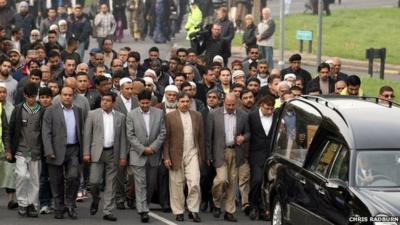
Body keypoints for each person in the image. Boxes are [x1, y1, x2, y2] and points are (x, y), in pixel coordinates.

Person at [83, 92, 127, 221]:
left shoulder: (120, 117)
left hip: (113, 152)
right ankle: (96, 198)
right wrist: (86, 152)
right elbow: (87, 135)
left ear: (113, 102)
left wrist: (123, 156)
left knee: (111, 183)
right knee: (94, 181)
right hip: (97, 152)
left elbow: (123, 138)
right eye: (103, 100)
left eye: (108, 100)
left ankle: (108, 210)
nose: (105, 102)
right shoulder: (92, 114)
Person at [42, 86, 84, 219]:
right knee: (56, 181)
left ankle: (71, 205)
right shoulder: (50, 111)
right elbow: (46, 132)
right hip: (55, 150)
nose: (67, 97)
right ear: (60, 96)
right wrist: (49, 150)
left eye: (70, 95)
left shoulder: (78, 110)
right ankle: (59, 207)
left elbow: (81, 130)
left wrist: (83, 150)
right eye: (65, 95)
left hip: (73, 149)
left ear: (73, 96)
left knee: (73, 176)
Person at [207, 93, 250, 222]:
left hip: (235, 152)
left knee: (232, 183)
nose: (231, 107)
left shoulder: (243, 115)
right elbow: (208, 137)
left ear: (236, 103)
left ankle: (229, 212)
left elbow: (248, 133)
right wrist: (208, 155)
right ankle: (216, 201)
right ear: (223, 102)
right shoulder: (214, 114)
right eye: (228, 104)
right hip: (219, 152)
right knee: (221, 180)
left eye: (233, 105)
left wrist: (244, 137)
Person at [163, 92, 205, 222]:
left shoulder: (197, 116)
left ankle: (193, 210)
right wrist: (166, 157)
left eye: (187, 101)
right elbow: (166, 139)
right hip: (175, 154)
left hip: (192, 153)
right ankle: (179, 211)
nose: (185, 104)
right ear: (177, 102)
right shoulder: (169, 117)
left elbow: (201, 137)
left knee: (194, 182)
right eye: (182, 101)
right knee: (176, 184)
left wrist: (202, 156)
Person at [126, 90, 166, 223]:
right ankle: (142, 210)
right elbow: (130, 135)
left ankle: (146, 204)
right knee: (140, 183)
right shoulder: (132, 114)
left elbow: (162, 133)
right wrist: (143, 149)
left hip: (154, 155)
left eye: (147, 103)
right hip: (138, 154)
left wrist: (153, 148)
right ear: (138, 102)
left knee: (150, 184)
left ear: (151, 102)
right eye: (142, 103)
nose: (144, 105)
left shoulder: (159, 113)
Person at [9, 83, 45, 218]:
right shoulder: (18, 109)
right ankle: (22, 203)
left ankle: (32, 205)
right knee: (22, 176)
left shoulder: (41, 110)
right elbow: (11, 130)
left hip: (36, 150)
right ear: (24, 95)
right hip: (20, 149)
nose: (32, 99)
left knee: (35, 179)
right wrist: (8, 149)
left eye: (34, 97)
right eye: (30, 97)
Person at [248, 95, 276, 220]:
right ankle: (253, 205)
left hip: (271, 155)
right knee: (257, 180)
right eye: (267, 109)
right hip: (256, 154)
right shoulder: (252, 116)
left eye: (271, 109)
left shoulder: (276, 116)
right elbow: (248, 133)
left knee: (269, 184)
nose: (270, 111)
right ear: (261, 105)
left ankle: (264, 209)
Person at [0, 83, 16, 210]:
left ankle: (11, 200)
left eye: (4, 92)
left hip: (6, 146)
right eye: (0, 92)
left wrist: (9, 149)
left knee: (9, 173)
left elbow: (8, 130)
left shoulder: (11, 108)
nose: (2, 94)